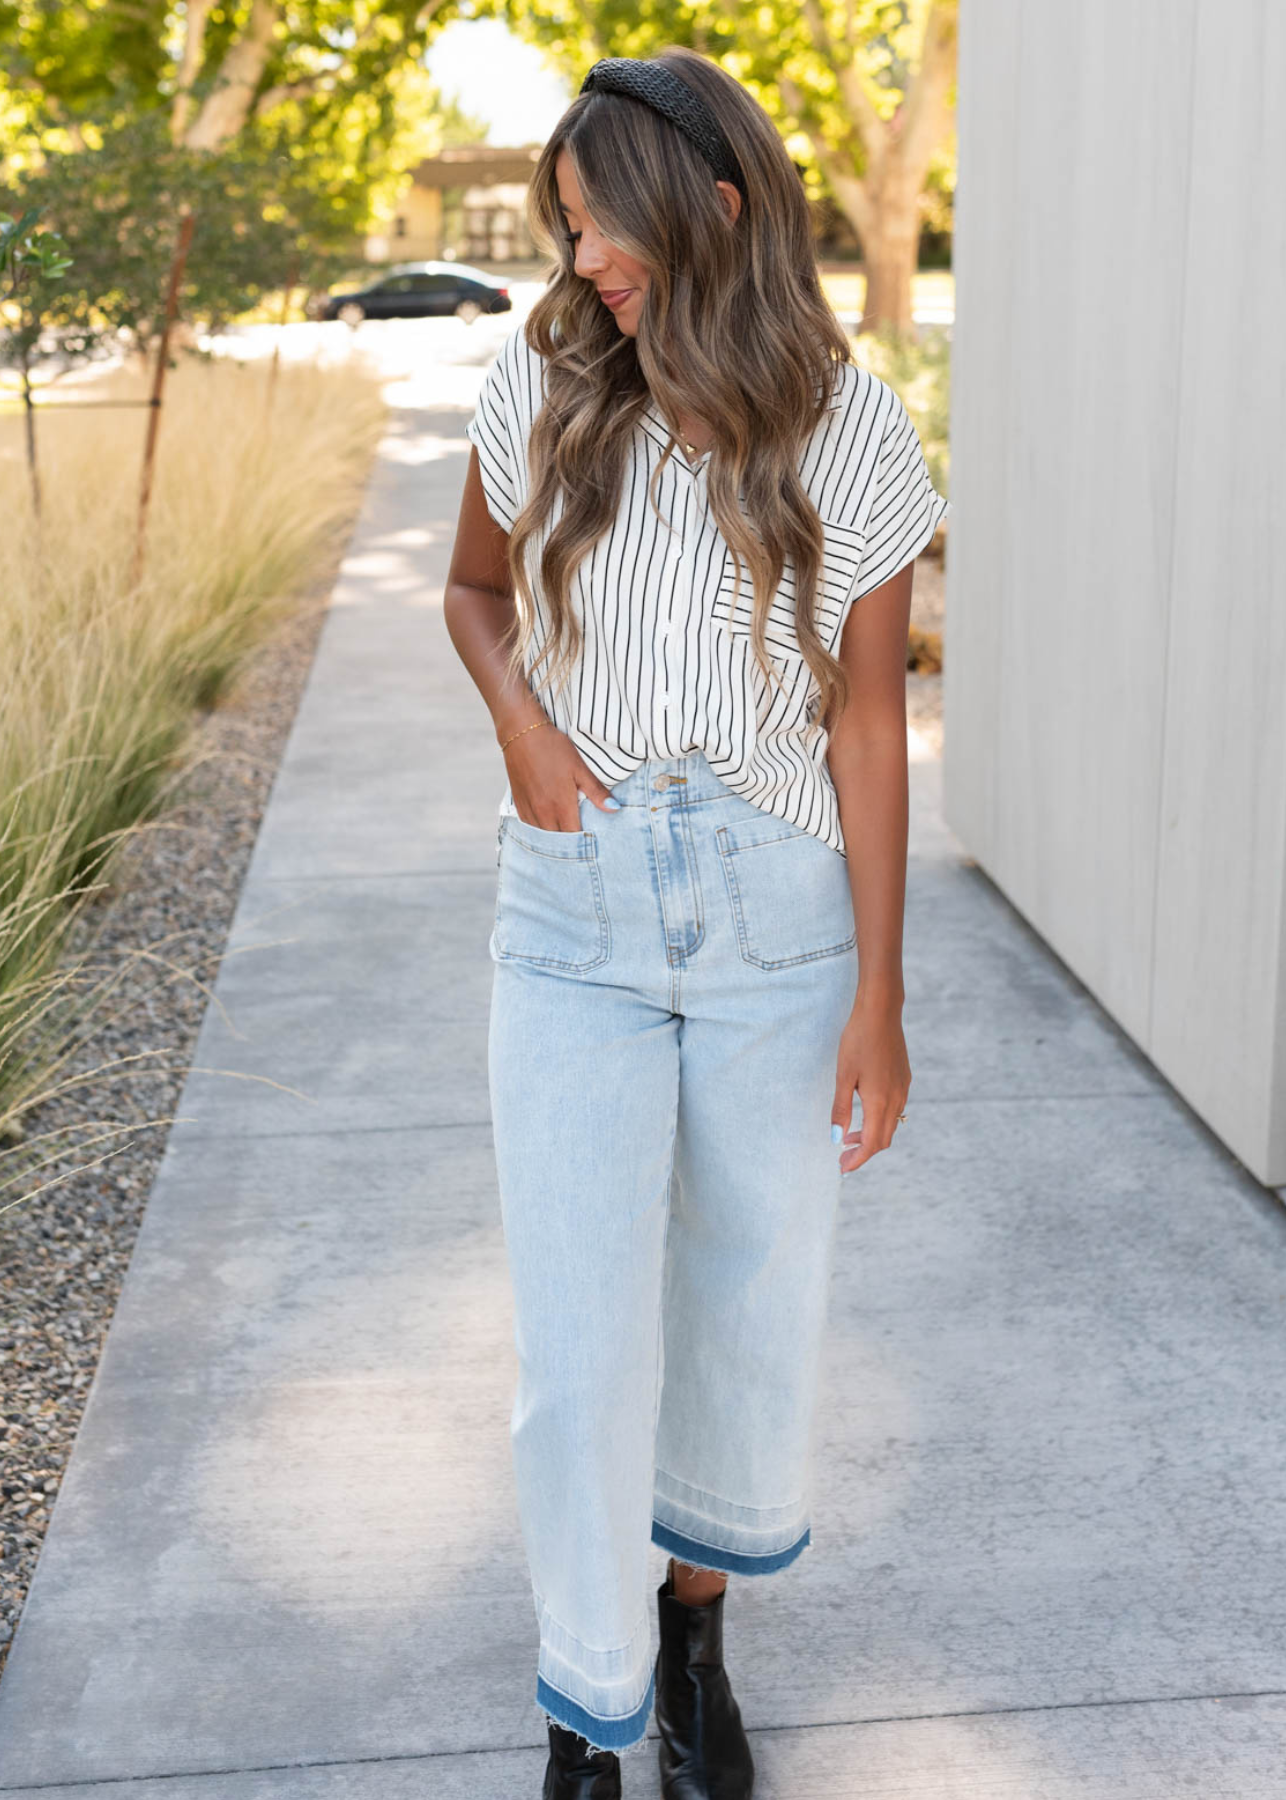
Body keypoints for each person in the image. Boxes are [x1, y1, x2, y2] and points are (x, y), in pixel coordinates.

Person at [444, 46, 951, 1800]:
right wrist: (523, 728)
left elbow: (870, 723)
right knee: (579, 1347)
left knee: (744, 1310)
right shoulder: (543, 378)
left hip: (772, 913)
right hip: (572, 902)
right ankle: (584, 1709)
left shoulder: (849, 421)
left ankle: (688, 1641)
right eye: (568, 229)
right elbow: (469, 591)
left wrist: (878, 995)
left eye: (604, 228)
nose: (582, 262)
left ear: (715, 206)